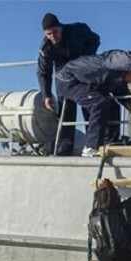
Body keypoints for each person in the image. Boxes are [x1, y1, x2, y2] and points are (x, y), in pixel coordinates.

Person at [37, 13, 100, 155]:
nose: (53, 36)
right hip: (64, 77)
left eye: (55, 32)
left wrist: (87, 57)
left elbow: (95, 40)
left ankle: (94, 145)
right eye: (48, 34)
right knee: (65, 112)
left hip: (85, 71)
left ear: (61, 28)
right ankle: (64, 149)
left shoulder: (78, 30)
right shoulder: (46, 47)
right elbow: (43, 72)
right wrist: (46, 94)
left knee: (91, 106)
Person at [56, 50, 131, 156]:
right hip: (68, 80)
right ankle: (90, 147)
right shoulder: (105, 71)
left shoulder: (118, 76)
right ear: (127, 71)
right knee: (99, 102)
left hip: (86, 81)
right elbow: (90, 80)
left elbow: (123, 97)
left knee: (113, 105)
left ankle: (109, 143)